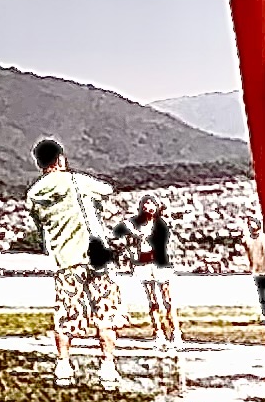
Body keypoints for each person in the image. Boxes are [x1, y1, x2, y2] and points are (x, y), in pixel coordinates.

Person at [27, 140, 125, 384]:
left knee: (66, 312)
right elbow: (107, 190)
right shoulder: (75, 180)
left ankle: (63, 363)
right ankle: (108, 364)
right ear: (60, 158)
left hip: (65, 258)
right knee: (105, 311)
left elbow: (40, 225)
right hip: (96, 256)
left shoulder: (34, 194)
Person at [132, 193, 183, 354]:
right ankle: (159, 334)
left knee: (167, 300)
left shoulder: (161, 223)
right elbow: (125, 234)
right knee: (152, 301)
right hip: (144, 263)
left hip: (160, 263)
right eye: (146, 204)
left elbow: (162, 240)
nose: (149, 207)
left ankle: (176, 334)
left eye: (152, 203)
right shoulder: (137, 223)